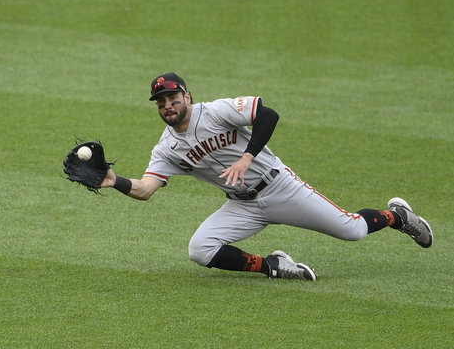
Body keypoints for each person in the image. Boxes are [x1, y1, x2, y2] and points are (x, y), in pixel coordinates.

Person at [101, 72, 433, 281]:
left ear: (187, 96)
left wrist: (247, 158)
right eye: (161, 102)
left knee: (354, 230)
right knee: (200, 250)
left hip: (280, 187)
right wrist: (114, 181)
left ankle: (398, 216)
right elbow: (145, 189)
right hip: (242, 206)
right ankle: (274, 265)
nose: (167, 106)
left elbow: (267, 115)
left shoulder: (215, 111)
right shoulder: (167, 148)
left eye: (173, 98)